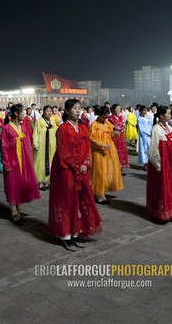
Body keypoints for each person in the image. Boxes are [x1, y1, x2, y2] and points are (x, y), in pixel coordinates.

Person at [48, 99, 102, 251]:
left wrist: (86, 163)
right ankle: (65, 235)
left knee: (79, 201)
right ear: (66, 111)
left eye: (80, 108)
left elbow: (87, 149)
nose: (78, 111)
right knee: (66, 201)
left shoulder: (84, 128)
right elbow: (62, 152)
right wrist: (77, 166)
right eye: (74, 108)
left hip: (82, 170)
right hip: (66, 171)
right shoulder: (63, 129)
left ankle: (75, 232)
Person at [0, 104, 40, 224]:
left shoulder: (24, 127)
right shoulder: (7, 128)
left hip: (23, 161)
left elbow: (28, 144)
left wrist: (29, 160)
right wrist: (6, 163)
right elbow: (4, 147)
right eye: (22, 112)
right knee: (12, 184)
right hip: (12, 161)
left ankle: (17, 210)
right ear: (16, 114)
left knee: (21, 184)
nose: (25, 114)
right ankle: (13, 212)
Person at [89, 105, 123, 204]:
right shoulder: (94, 125)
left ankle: (103, 190)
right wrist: (102, 144)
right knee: (99, 171)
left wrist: (115, 134)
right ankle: (98, 193)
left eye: (106, 117)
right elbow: (91, 138)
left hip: (109, 149)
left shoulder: (108, 123)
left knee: (108, 170)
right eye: (103, 117)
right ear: (99, 115)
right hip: (98, 151)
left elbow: (111, 134)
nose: (105, 119)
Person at [32, 105, 58, 191]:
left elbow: (55, 133)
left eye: (50, 111)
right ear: (43, 112)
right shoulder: (39, 122)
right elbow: (35, 133)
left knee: (50, 162)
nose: (49, 112)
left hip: (51, 146)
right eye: (47, 111)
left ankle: (47, 181)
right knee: (40, 163)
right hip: (42, 146)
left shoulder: (53, 122)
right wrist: (35, 144)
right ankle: (40, 182)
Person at [108, 104, 129, 175]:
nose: (119, 110)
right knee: (115, 152)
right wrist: (120, 127)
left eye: (119, 109)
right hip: (114, 138)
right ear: (113, 109)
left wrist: (121, 126)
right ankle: (114, 168)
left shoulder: (120, 117)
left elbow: (122, 125)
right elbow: (116, 126)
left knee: (121, 152)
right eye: (117, 109)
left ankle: (121, 168)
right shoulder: (110, 117)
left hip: (121, 137)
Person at [137, 106, 153, 171]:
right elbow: (141, 129)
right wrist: (149, 133)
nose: (145, 112)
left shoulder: (148, 118)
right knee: (144, 150)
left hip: (149, 137)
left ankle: (150, 163)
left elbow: (150, 125)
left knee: (150, 149)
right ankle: (145, 164)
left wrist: (151, 132)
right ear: (140, 111)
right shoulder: (139, 119)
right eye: (144, 110)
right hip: (144, 137)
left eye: (146, 110)